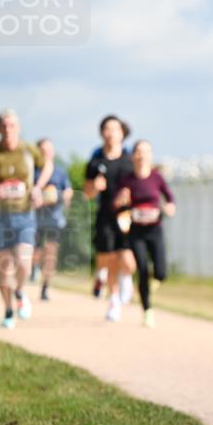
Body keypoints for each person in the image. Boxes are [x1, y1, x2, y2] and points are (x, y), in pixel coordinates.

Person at [0, 109, 53, 329]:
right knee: (5, 268)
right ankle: (8, 310)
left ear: (18, 127)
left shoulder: (28, 150)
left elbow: (48, 165)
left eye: (12, 125)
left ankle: (19, 291)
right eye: (4, 126)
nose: (8, 130)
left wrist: (38, 187)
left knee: (24, 263)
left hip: (25, 215)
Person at [114, 140, 175, 327]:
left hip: (154, 229)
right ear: (133, 156)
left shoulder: (156, 177)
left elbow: (170, 198)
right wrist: (121, 200)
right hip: (136, 232)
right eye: (138, 152)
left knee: (161, 272)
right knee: (142, 269)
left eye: (146, 151)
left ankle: (150, 286)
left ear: (151, 155)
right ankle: (147, 310)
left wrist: (169, 207)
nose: (142, 155)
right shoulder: (127, 180)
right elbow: (116, 206)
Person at [84, 115, 136, 321]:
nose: (110, 133)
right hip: (105, 215)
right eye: (107, 129)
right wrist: (94, 188)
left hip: (126, 216)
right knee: (108, 258)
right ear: (101, 133)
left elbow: (139, 186)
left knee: (128, 260)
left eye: (115, 129)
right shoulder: (96, 162)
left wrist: (130, 195)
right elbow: (87, 192)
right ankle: (113, 300)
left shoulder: (129, 161)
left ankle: (126, 278)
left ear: (122, 133)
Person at [32, 138, 73, 301]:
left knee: (51, 253)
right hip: (34, 220)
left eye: (49, 150)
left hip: (54, 219)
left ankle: (45, 287)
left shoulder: (60, 171)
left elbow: (68, 191)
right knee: (34, 252)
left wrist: (60, 198)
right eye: (43, 151)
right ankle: (33, 270)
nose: (46, 153)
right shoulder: (32, 171)